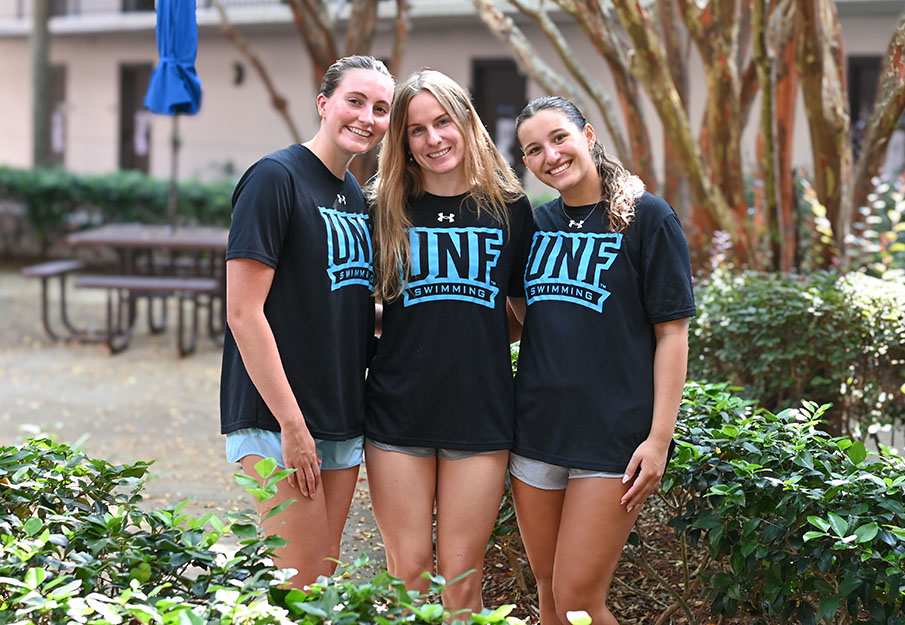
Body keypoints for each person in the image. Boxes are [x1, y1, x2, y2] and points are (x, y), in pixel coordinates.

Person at [511, 96, 696, 625]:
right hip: (536, 435)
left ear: (588, 136)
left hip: (611, 441)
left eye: (559, 138)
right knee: (550, 598)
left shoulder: (647, 218)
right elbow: (526, 312)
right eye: (534, 150)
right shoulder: (536, 224)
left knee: (577, 603)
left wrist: (659, 439)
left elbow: (673, 334)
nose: (550, 155)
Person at [219, 55, 394, 588]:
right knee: (301, 582)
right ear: (324, 104)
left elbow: (341, 304)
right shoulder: (275, 178)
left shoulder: (354, 199)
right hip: (280, 417)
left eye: (381, 108)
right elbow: (243, 312)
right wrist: (292, 426)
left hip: (340, 410)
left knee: (319, 579)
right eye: (355, 101)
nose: (367, 116)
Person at [365, 69, 533, 615]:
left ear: (466, 122)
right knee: (407, 572)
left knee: (462, 576)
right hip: (396, 413)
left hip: (480, 414)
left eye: (443, 122)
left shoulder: (510, 208)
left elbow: (523, 313)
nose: (433, 138)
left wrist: (471, 338)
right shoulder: (382, 208)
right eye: (416, 130)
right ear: (403, 142)